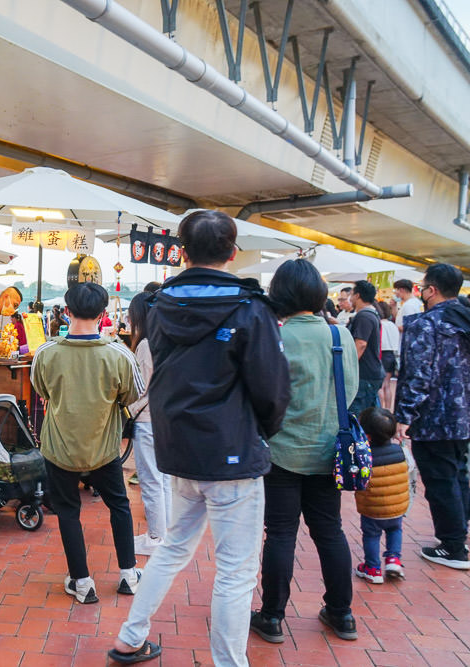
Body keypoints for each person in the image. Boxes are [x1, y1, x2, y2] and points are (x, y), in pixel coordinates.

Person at [111, 210, 290, 666]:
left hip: (179, 449)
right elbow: (272, 389)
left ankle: (131, 637)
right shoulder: (251, 308)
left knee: (172, 548)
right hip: (232, 452)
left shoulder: (157, 307)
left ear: (183, 253)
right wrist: (260, 432)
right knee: (235, 571)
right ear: (233, 252)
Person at [250, 259, 359, 645]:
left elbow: (264, 395)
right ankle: (342, 613)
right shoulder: (339, 336)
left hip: (283, 451)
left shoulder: (278, 337)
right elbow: (352, 388)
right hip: (331, 451)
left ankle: (273, 616)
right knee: (330, 531)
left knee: (280, 534)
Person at [31, 282, 143, 605]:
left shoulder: (46, 353)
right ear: (104, 315)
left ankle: (81, 583)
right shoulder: (119, 354)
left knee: (68, 512)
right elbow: (133, 394)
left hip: (59, 450)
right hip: (104, 450)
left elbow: (43, 391)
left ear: (66, 312)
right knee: (119, 506)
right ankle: (128, 573)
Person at [395, 263, 470, 570]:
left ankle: (453, 546)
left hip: (434, 417)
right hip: (462, 414)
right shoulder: (464, 318)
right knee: (458, 474)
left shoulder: (427, 325)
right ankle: (459, 531)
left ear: (432, 289)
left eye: (423, 286)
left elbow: (418, 374)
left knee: (440, 480)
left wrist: (404, 415)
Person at [124, 292, 170, 554]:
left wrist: (126, 406)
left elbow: (141, 388)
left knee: (151, 481)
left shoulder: (145, 345)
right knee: (163, 480)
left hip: (147, 419)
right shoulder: (167, 340)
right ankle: (164, 534)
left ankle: (155, 538)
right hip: (165, 418)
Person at [355, 407, 410, 583]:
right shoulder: (401, 451)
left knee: (371, 535)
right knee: (395, 529)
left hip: (372, 509)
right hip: (397, 507)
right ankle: (393, 559)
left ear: (367, 435)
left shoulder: (365, 457)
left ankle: (373, 568)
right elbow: (410, 469)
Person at [347, 280, 384, 414]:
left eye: (351, 294)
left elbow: (361, 344)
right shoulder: (372, 314)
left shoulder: (364, 316)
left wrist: (347, 366)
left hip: (364, 374)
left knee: (358, 415)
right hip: (371, 373)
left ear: (357, 295)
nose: (350, 298)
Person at [378, 300, 401, 410]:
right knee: (387, 385)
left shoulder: (379, 324)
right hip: (392, 355)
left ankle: (380, 410)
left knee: (380, 387)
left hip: (382, 354)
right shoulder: (393, 325)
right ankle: (388, 409)